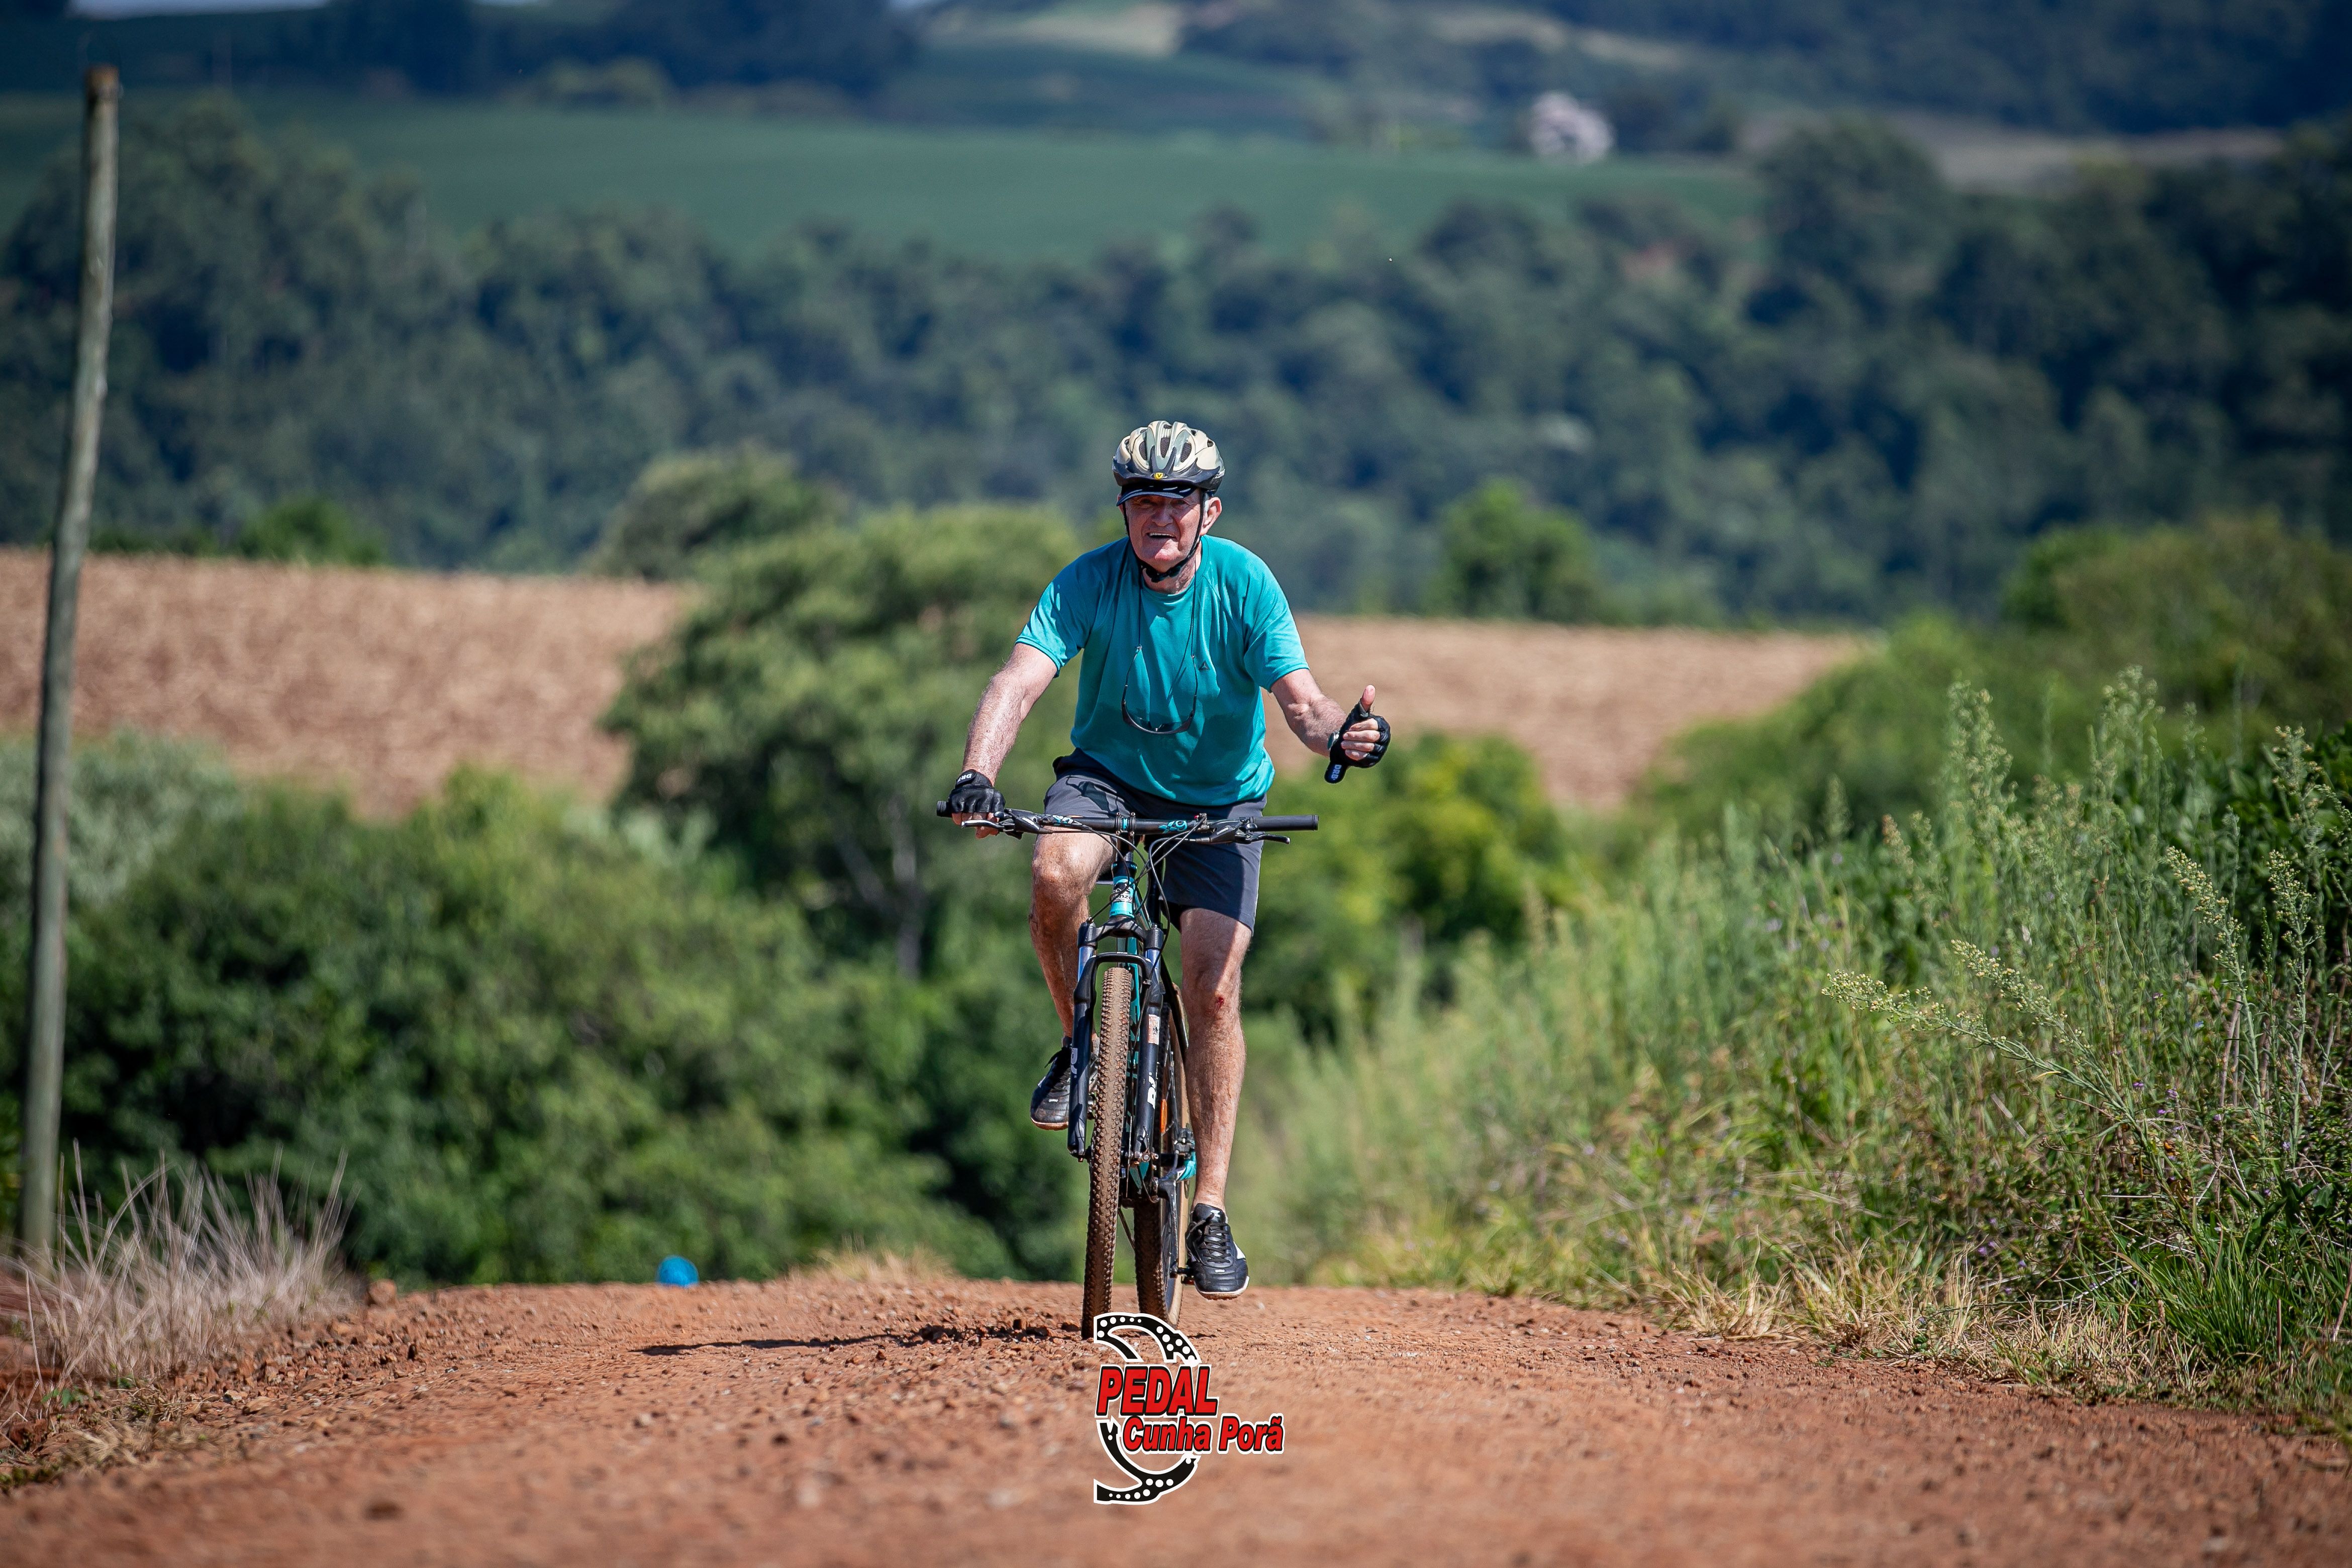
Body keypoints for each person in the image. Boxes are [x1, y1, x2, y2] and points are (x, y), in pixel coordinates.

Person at [945, 420, 1389, 1300]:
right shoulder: (1088, 580)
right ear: (1123, 508)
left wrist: (1342, 734)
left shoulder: (1245, 585)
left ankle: (1211, 1209)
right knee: (1055, 874)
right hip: (1106, 781)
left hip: (1220, 802)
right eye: (1142, 499)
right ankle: (1081, 1047)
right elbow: (1018, 680)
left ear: (1208, 512)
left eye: (1177, 501)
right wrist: (977, 775)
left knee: (1213, 988)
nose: (1158, 515)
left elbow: (1301, 703)